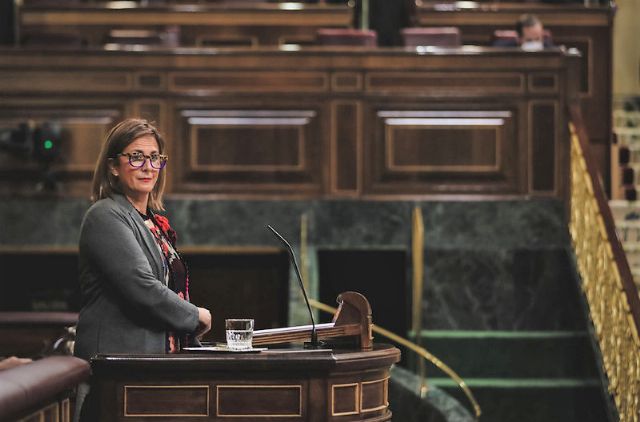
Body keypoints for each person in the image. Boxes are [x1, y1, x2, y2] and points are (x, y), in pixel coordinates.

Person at [73, 118, 212, 421]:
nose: (148, 166)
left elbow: (170, 286)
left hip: (150, 368)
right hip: (115, 370)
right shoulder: (105, 215)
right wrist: (194, 315)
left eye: (155, 158)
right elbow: (140, 286)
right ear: (113, 166)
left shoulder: (152, 222)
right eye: (136, 157)